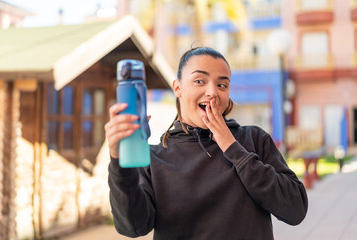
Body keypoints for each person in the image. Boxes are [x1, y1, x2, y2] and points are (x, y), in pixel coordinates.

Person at [105, 47, 308, 240]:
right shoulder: (154, 158)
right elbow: (133, 227)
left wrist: (232, 147)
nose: (212, 92)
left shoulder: (254, 140)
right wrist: (118, 162)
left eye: (222, 85)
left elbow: (295, 209)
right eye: (199, 81)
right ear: (178, 88)